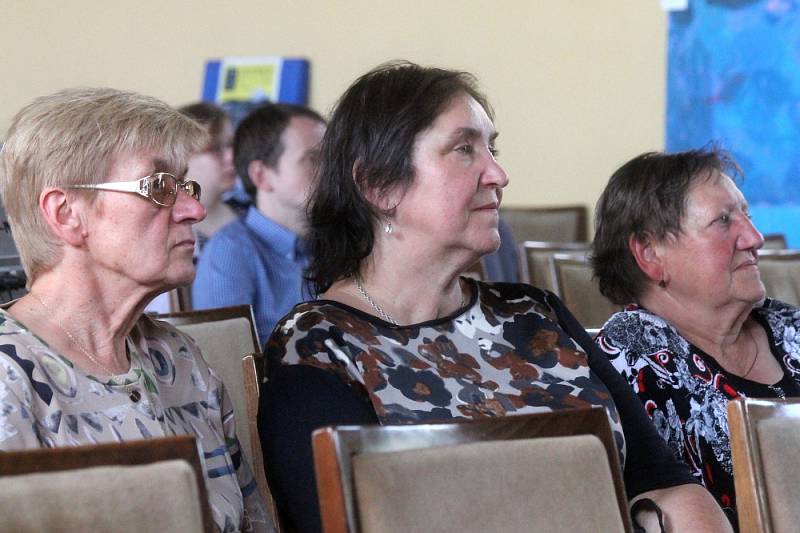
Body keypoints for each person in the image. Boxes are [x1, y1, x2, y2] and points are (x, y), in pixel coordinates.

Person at [258, 62, 732, 533]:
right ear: (380, 186)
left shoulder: (533, 314)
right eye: (464, 149)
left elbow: (664, 483)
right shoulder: (319, 347)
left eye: (492, 148)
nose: (499, 174)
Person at [0, 88, 270, 532]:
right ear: (67, 214)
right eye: (161, 186)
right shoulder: (11, 374)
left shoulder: (180, 360)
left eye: (187, 185)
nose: (195, 209)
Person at [591, 148, 799, 529]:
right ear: (651, 253)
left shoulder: (790, 327)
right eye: (723, 221)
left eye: (746, 215)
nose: (754, 238)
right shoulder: (626, 365)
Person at [192, 103, 325, 343]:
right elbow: (227, 364)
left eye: (333, 158)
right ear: (261, 176)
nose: (332, 171)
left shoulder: (339, 239)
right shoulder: (229, 252)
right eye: (313, 160)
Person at [177, 102, 239, 253]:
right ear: (182, 157)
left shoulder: (248, 214)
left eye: (232, 145)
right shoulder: (171, 229)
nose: (231, 157)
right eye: (216, 149)